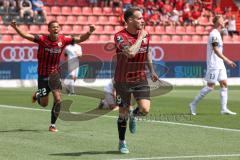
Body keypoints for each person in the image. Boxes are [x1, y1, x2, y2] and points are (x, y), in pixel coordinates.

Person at [10, 20, 95, 132]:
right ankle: (38, 94)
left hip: (55, 75)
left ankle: (52, 125)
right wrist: (16, 27)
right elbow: (26, 35)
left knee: (58, 100)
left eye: (57, 27)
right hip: (42, 75)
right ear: (49, 29)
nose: (56, 28)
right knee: (44, 104)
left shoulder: (63, 39)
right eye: (53, 27)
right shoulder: (42, 39)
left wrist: (89, 32)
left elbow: (80, 39)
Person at [113, 7, 158, 154]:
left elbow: (147, 51)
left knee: (145, 109)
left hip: (140, 77)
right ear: (130, 20)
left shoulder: (146, 34)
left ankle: (135, 115)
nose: (142, 20)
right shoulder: (119, 36)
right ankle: (122, 142)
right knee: (122, 113)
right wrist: (140, 38)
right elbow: (131, 53)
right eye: (139, 18)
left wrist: (152, 71)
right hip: (122, 80)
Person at [189, 15, 237, 116]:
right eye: (222, 20)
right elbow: (215, 50)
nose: (224, 21)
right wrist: (228, 60)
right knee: (210, 87)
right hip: (214, 64)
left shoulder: (219, 34)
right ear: (218, 22)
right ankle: (193, 104)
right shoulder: (213, 35)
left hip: (220, 64)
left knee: (224, 84)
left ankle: (224, 109)